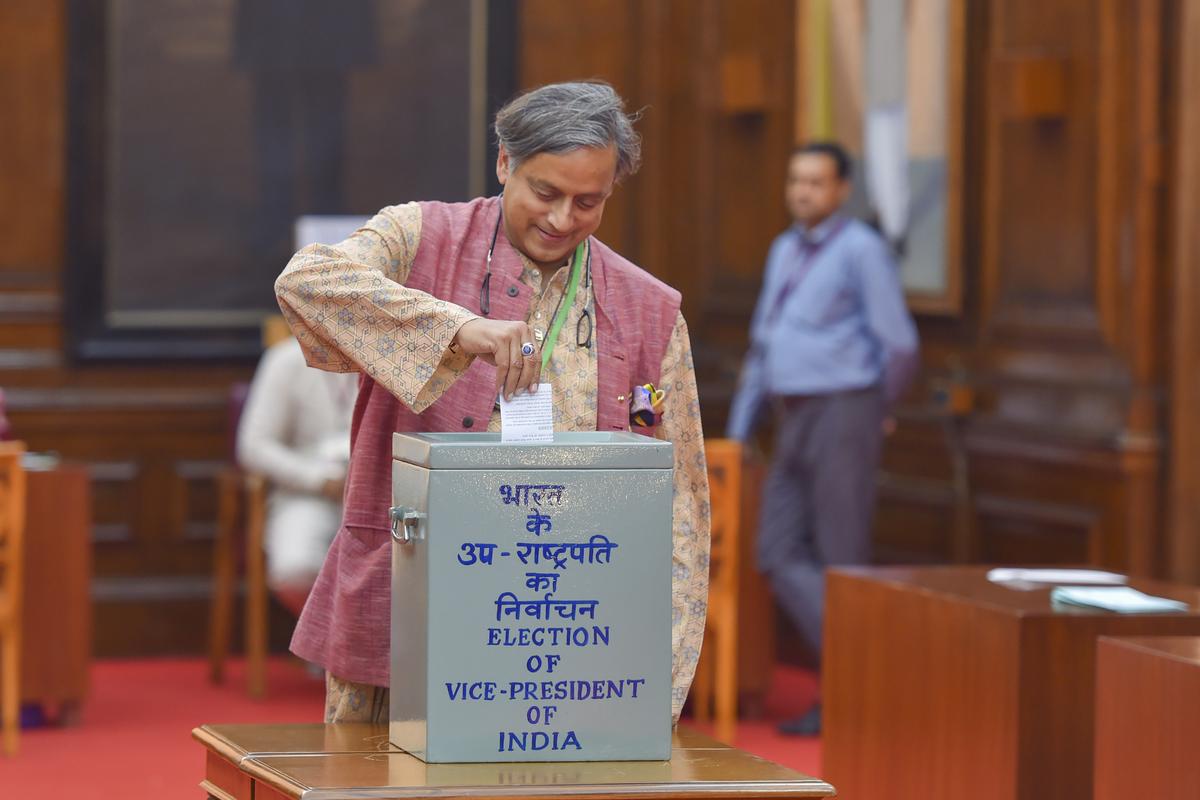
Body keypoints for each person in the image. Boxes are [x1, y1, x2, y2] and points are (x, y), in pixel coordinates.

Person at [274, 81, 710, 725]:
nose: (563, 220)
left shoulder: (647, 312)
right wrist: (454, 329)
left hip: (568, 618)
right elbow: (305, 284)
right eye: (546, 193)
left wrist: (661, 675)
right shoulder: (418, 237)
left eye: (588, 202)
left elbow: (678, 495)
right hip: (413, 596)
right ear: (505, 164)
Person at [726, 141, 919, 735]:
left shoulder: (861, 251)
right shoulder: (785, 249)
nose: (802, 192)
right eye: (795, 180)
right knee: (776, 551)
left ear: (842, 191)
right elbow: (764, 346)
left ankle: (850, 696)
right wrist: (737, 431)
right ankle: (864, 668)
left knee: (842, 558)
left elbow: (900, 344)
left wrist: (876, 408)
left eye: (815, 182)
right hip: (793, 414)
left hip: (844, 409)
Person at [237, 323, 358, 616]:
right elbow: (254, 446)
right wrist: (317, 480)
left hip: (376, 493)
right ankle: (328, 646)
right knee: (294, 569)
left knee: (398, 573)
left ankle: (358, 650)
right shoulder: (285, 359)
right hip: (306, 492)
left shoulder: (393, 361)